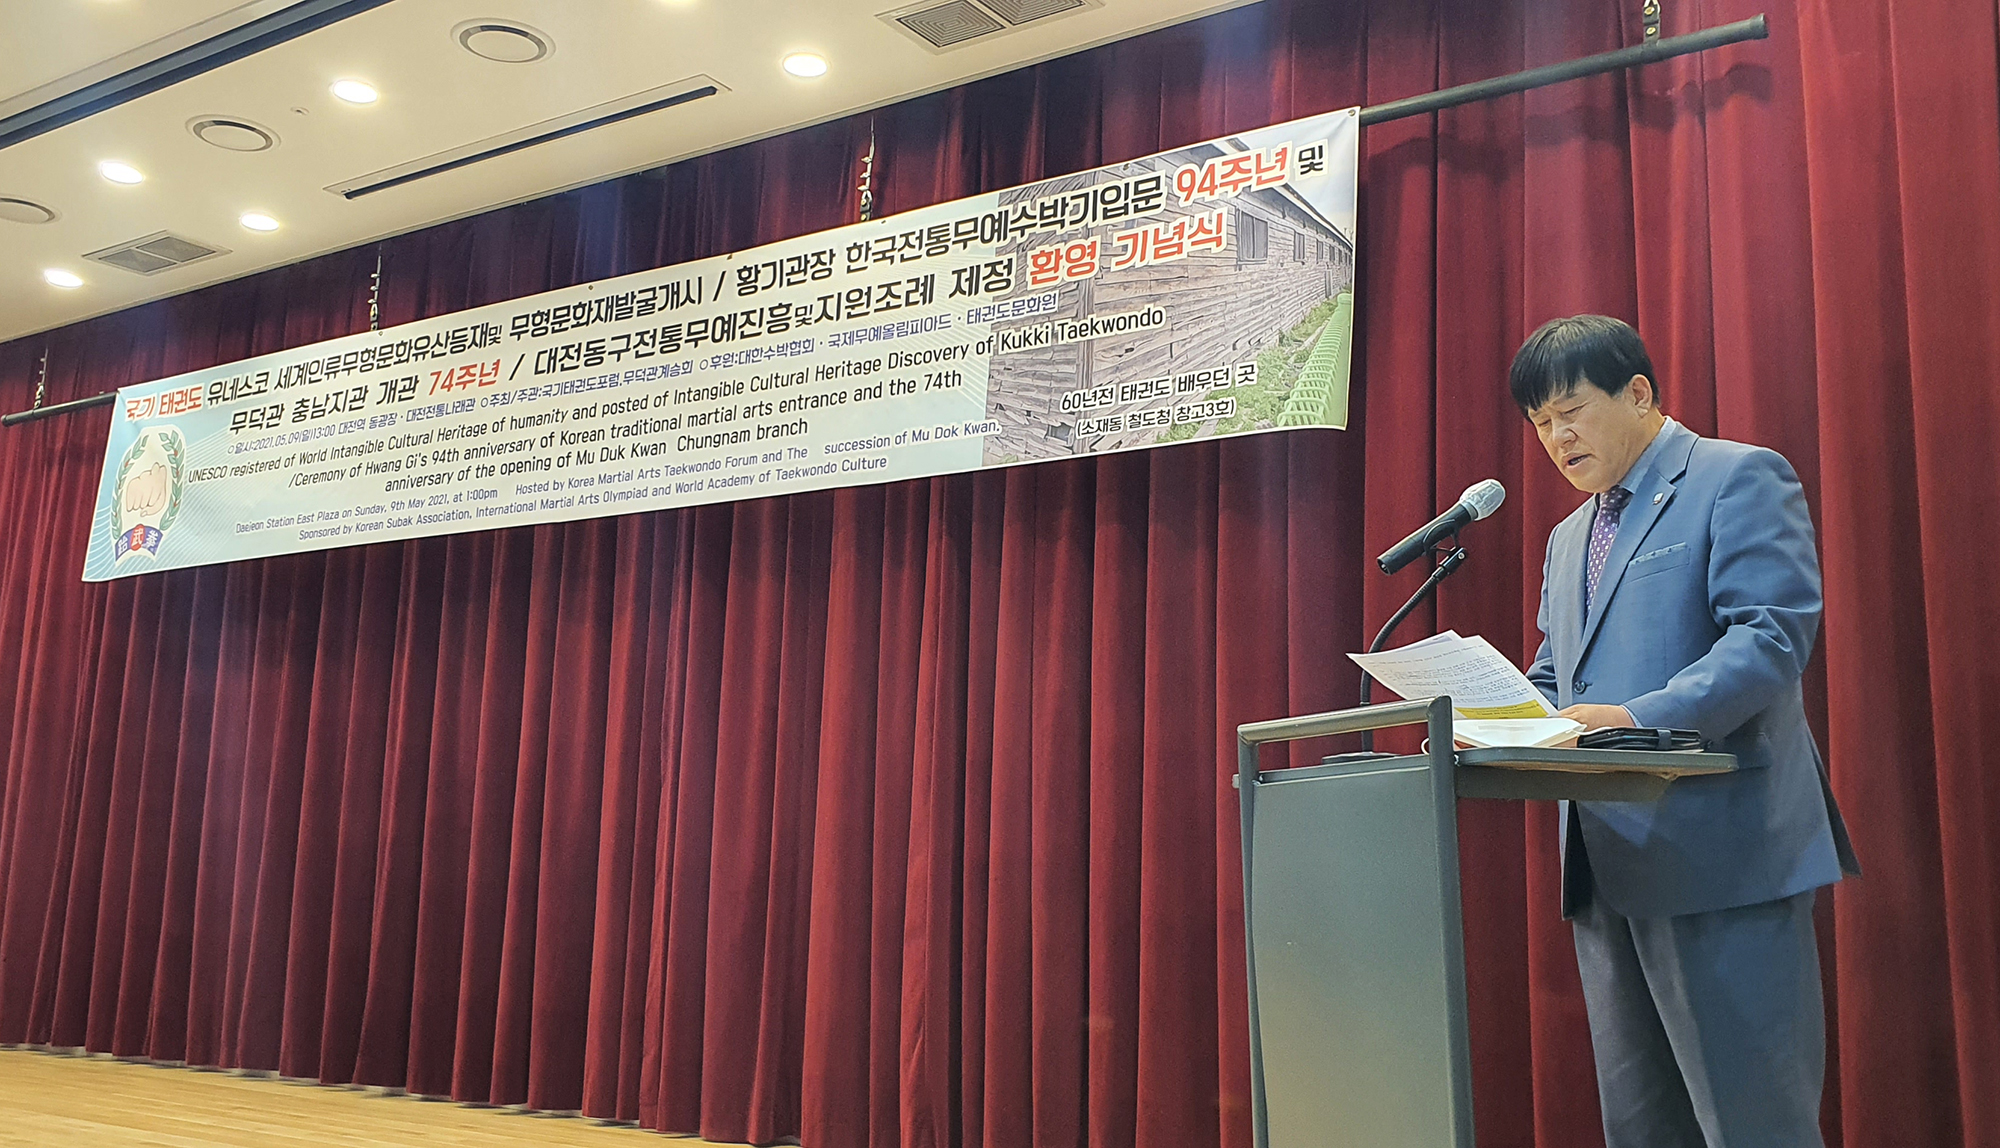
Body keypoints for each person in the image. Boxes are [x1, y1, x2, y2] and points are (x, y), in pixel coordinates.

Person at [1513, 315, 1858, 1148]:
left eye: (1571, 412)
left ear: (1638, 393)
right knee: (1643, 1131)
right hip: (1605, 867)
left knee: (1754, 1128)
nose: (1557, 439)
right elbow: (1557, 674)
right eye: (1540, 423)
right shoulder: (1568, 536)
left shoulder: (1737, 477)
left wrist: (1638, 721)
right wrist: (1490, 720)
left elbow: (1769, 638)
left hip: (1722, 856)